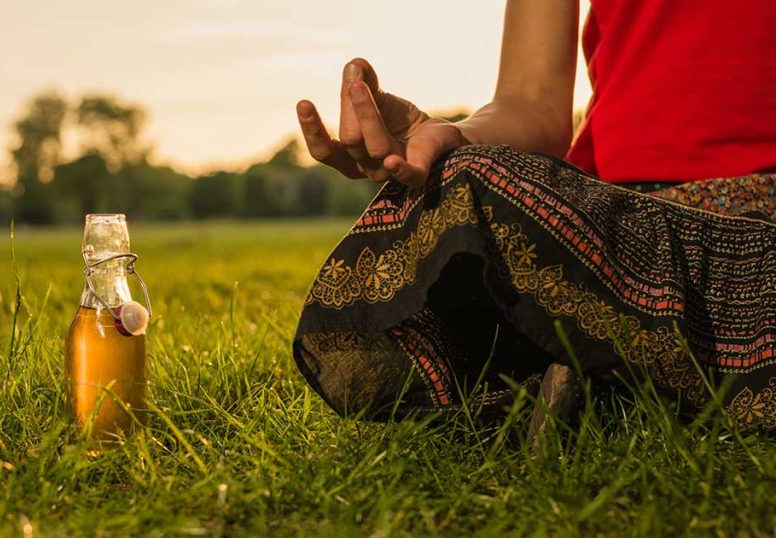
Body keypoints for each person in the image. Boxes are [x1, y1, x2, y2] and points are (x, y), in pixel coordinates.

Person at [291, 0, 776, 431]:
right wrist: (450, 137)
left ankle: (589, 366)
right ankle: (620, 361)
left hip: (762, 218)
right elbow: (530, 100)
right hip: (614, 227)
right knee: (462, 179)